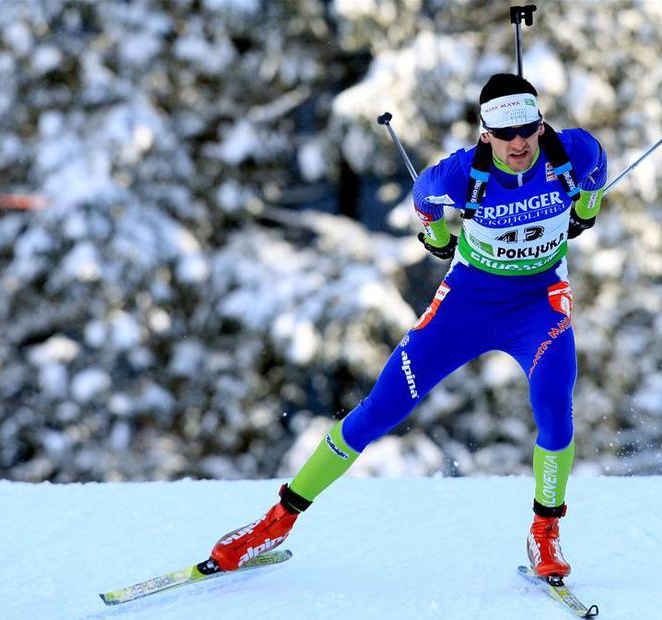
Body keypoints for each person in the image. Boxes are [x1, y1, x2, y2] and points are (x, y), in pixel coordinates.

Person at [207, 73, 608, 579]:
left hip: (539, 304)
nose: (518, 144)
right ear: (485, 134)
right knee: (381, 409)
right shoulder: (458, 175)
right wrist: (437, 239)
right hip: (468, 304)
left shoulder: (573, 152)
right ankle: (275, 523)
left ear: (541, 125)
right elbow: (423, 200)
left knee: (554, 406)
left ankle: (545, 532)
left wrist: (586, 210)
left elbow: (597, 170)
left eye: (527, 130)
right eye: (505, 134)